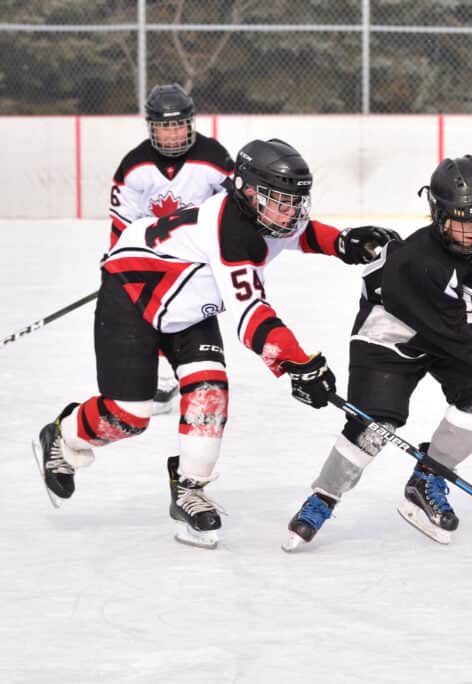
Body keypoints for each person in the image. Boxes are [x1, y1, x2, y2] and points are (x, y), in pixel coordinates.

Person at [33, 138, 399, 548]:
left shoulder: (264, 216)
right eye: (280, 201)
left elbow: (300, 233)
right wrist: (299, 363)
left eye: (296, 201)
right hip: (132, 296)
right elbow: (251, 317)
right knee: (129, 415)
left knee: (209, 394)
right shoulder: (229, 231)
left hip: (187, 311)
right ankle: (63, 439)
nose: (291, 211)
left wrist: (342, 242)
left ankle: (190, 487)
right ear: (246, 191)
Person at [283, 154, 472, 549]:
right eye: (461, 222)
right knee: (374, 425)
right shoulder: (417, 262)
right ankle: (323, 497)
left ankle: (429, 478)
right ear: (438, 214)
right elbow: (455, 337)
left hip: (452, 327)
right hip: (393, 332)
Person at [108, 83, 235, 414]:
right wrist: (119, 269)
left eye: (179, 125)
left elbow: (236, 209)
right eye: (165, 127)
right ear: (152, 127)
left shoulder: (214, 157)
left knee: (196, 307)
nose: (174, 135)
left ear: (190, 123)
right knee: (148, 307)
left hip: (199, 254)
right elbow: (122, 227)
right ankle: (159, 366)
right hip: (154, 255)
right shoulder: (134, 166)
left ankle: (196, 359)